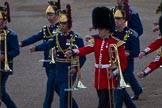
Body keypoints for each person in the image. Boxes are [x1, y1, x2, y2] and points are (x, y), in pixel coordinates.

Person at [65, 6, 128, 108]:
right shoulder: (97, 41)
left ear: (108, 29)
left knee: (103, 105)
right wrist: (73, 51)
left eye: (101, 29)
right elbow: (86, 49)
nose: (99, 31)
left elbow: (123, 63)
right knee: (106, 104)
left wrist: (115, 73)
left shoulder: (117, 43)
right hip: (98, 78)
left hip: (108, 78)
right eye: (98, 28)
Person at [29, 4, 86, 108]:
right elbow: (47, 44)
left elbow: (83, 57)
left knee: (63, 100)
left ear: (69, 24)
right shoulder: (57, 36)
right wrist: (36, 48)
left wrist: (76, 68)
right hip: (58, 71)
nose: (61, 25)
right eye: (61, 23)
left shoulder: (77, 38)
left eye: (64, 23)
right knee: (66, 97)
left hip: (68, 72)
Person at [19, 1, 61, 108]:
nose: (48, 17)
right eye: (47, 14)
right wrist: (22, 43)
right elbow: (35, 37)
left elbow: (49, 43)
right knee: (56, 90)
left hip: (57, 63)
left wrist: (37, 48)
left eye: (51, 14)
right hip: (48, 63)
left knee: (49, 88)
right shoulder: (46, 29)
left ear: (57, 14)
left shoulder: (61, 28)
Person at [0, 2, 20, 108]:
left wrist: (4, 55)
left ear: (4, 20)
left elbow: (16, 50)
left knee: (1, 89)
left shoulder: (11, 34)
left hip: (5, 66)